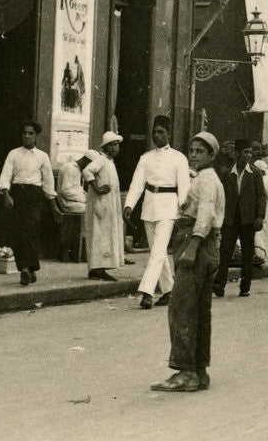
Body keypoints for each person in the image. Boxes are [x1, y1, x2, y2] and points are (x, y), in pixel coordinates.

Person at [151, 131, 224, 393]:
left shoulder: (205, 181)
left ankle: (185, 371)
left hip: (196, 243)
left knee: (182, 308)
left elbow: (204, 216)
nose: (193, 155)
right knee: (200, 312)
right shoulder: (207, 178)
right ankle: (199, 370)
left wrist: (191, 248)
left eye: (200, 151)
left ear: (211, 155)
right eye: (191, 150)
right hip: (206, 246)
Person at [123, 115, 190, 309]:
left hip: (169, 208)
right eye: (155, 132)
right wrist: (129, 205)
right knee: (156, 252)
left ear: (169, 134)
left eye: (162, 132)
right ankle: (169, 291)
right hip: (149, 207)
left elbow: (184, 188)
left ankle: (146, 292)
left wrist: (183, 212)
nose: (157, 136)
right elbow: (137, 184)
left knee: (159, 250)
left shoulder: (179, 158)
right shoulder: (146, 158)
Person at [0, 120, 61, 286]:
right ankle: (24, 268)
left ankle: (30, 267)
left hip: (35, 195)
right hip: (18, 194)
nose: (27, 136)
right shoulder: (13, 154)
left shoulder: (42, 156)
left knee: (31, 229)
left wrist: (54, 206)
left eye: (30, 133)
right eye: (24, 133)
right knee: (19, 231)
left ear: (36, 136)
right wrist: (6, 194)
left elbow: (48, 182)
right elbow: (6, 175)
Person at [213, 138, 265, 298]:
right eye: (246, 152)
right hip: (230, 219)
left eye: (251, 152)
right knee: (225, 251)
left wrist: (260, 216)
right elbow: (220, 196)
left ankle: (245, 286)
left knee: (247, 254)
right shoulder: (227, 172)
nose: (249, 155)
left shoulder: (255, 173)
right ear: (237, 154)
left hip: (248, 220)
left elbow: (261, 196)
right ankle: (219, 284)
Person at [83, 131, 123, 281]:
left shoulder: (109, 161)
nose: (115, 147)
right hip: (101, 204)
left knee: (105, 235)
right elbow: (87, 171)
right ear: (105, 147)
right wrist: (97, 188)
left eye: (117, 144)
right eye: (112, 145)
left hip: (108, 205)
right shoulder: (101, 160)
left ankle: (99, 267)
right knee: (100, 235)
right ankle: (96, 268)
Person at [55, 151, 89, 262]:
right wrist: (85, 200)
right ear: (86, 160)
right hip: (67, 203)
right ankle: (83, 251)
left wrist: (87, 197)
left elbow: (78, 190)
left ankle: (84, 251)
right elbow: (67, 191)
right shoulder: (70, 168)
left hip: (75, 201)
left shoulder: (77, 169)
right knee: (95, 211)